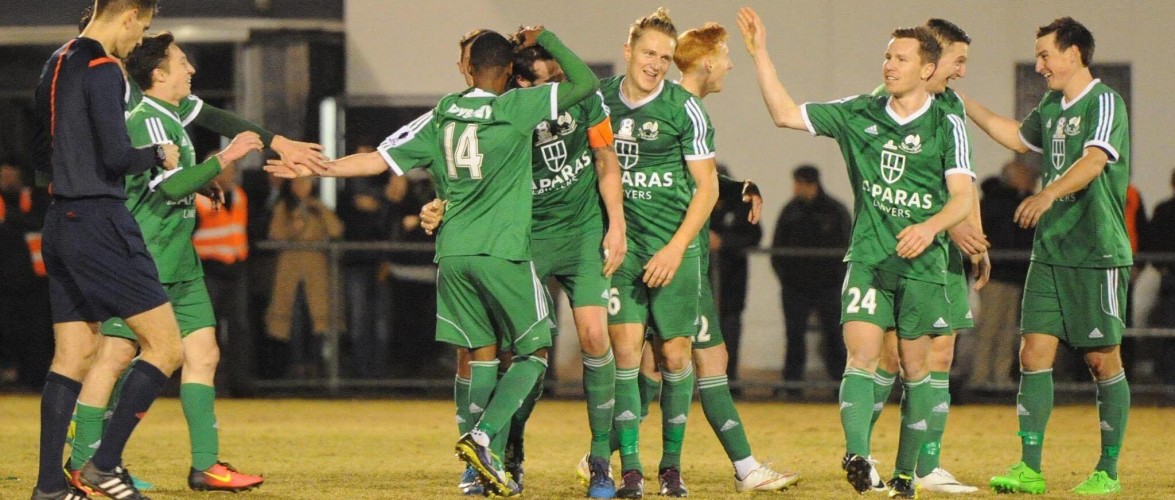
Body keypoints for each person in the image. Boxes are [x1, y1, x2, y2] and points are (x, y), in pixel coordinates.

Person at [266, 27, 599, 498]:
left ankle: (474, 474)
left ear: (468, 69)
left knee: (478, 355)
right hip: (501, 250)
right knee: (535, 351)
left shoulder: (442, 113)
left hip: (453, 254)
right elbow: (585, 82)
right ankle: (483, 438)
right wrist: (548, 37)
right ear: (508, 70)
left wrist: (321, 167)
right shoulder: (517, 107)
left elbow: (378, 161)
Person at [737, 8, 975, 497]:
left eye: (901, 58)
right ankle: (859, 457)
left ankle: (906, 476)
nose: (889, 65)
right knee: (861, 355)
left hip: (923, 266)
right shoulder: (859, 111)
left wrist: (929, 228)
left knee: (916, 369)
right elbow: (784, 114)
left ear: (926, 69)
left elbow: (962, 199)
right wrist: (760, 53)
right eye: (887, 56)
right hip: (869, 258)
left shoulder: (947, 124)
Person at [63, 32, 265, 495]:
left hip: (181, 263)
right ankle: (84, 464)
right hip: (143, 260)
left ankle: (205, 466)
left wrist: (201, 182)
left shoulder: (170, 117)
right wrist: (226, 157)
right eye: (183, 62)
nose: (191, 69)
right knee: (114, 356)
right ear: (159, 73)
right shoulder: (148, 119)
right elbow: (168, 187)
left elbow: (171, 182)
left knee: (204, 354)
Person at [963, 17, 1132, 495]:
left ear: (1073, 53)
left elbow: (1095, 159)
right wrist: (961, 103)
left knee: (1102, 361)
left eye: (1045, 55)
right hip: (1049, 254)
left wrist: (1047, 193)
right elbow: (1018, 137)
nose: (1039, 66)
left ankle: (1108, 471)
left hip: (1096, 253)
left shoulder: (1104, 101)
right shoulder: (1052, 106)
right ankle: (1029, 467)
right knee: (1032, 354)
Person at [29, 0, 183, 497]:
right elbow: (117, 156)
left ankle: (50, 487)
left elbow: (39, 151)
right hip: (99, 220)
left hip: (60, 220)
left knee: (74, 355)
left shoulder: (55, 62)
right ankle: (104, 465)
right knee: (166, 347)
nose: (139, 41)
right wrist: (158, 153)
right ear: (129, 15)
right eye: (143, 27)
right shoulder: (104, 67)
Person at [595, 9, 720, 498]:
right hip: (622, 249)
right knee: (625, 354)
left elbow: (707, 189)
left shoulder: (685, 108)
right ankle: (630, 469)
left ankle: (671, 467)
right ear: (628, 51)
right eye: (648, 53)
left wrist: (675, 248)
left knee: (674, 355)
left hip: (674, 251)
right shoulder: (600, 100)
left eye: (665, 58)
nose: (656, 64)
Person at [865, 18, 991, 495]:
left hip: (944, 252)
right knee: (891, 354)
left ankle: (926, 465)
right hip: (901, 247)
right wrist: (949, 224)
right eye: (958, 60)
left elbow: (964, 179)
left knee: (942, 351)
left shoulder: (951, 106)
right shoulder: (886, 103)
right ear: (931, 58)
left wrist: (975, 237)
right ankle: (860, 452)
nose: (961, 71)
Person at [772, 164, 850, 394]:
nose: (795, 188)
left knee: (834, 335)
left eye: (799, 183)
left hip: (829, 287)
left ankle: (841, 386)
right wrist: (786, 278)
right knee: (794, 335)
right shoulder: (790, 211)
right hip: (795, 287)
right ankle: (793, 385)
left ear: (811, 184)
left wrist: (837, 278)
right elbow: (777, 248)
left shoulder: (835, 211)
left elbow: (847, 246)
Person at [266, 177, 344, 378]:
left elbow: (336, 230)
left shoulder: (319, 208)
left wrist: (320, 211)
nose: (301, 187)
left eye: (306, 182)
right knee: (293, 320)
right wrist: (293, 228)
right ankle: (296, 365)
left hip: (315, 272)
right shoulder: (283, 207)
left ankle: (315, 365)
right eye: (297, 183)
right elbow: (275, 233)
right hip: (290, 270)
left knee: (318, 319)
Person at [968, 160, 1035, 390]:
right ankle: (981, 377)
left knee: (1006, 330)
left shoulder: (1003, 202)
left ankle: (999, 377)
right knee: (991, 328)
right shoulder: (997, 204)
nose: (1031, 180)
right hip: (995, 275)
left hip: (1012, 274)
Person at [193, 158, 253, 396]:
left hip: (235, 269)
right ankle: (207, 382)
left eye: (230, 170)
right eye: (223, 170)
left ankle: (240, 384)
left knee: (240, 328)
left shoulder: (239, 196)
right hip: (208, 269)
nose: (228, 175)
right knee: (207, 330)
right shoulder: (199, 198)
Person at [336, 142, 393, 378]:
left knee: (381, 320)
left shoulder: (383, 191)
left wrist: (380, 204)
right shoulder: (345, 193)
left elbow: (387, 222)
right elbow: (342, 220)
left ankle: (380, 373)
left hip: (380, 261)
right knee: (358, 318)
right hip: (355, 262)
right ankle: (362, 372)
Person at [1146, 168, 1175, 384]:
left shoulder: (1163, 209)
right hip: (1170, 276)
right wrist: (1161, 266)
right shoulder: (1164, 210)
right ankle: (1168, 377)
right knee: (1168, 328)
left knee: (1168, 327)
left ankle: (1167, 377)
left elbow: (1152, 240)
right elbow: (1153, 241)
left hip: (1169, 275)